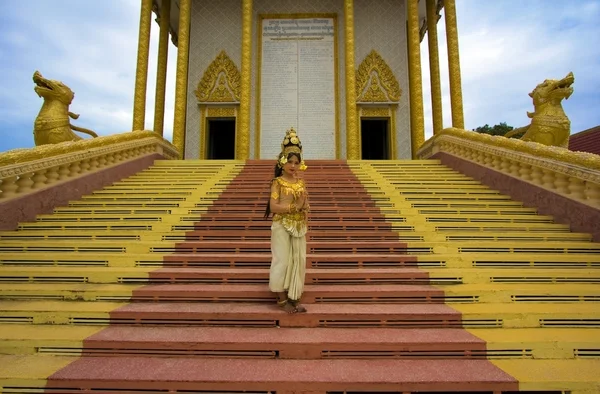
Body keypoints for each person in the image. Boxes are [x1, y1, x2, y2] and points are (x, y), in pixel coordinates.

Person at [264, 128, 310, 314]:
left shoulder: (301, 183)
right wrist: (295, 207)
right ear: (282, 162)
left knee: (298, 260)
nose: (293, 165)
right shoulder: (278, 182)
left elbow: (305, 205)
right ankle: (281, 297)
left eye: (296, 162)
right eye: (290, 161)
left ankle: (294, 295)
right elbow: (273, 206)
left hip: (298, 226)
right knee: (282, 260)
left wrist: (304, 207)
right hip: (282, 224)